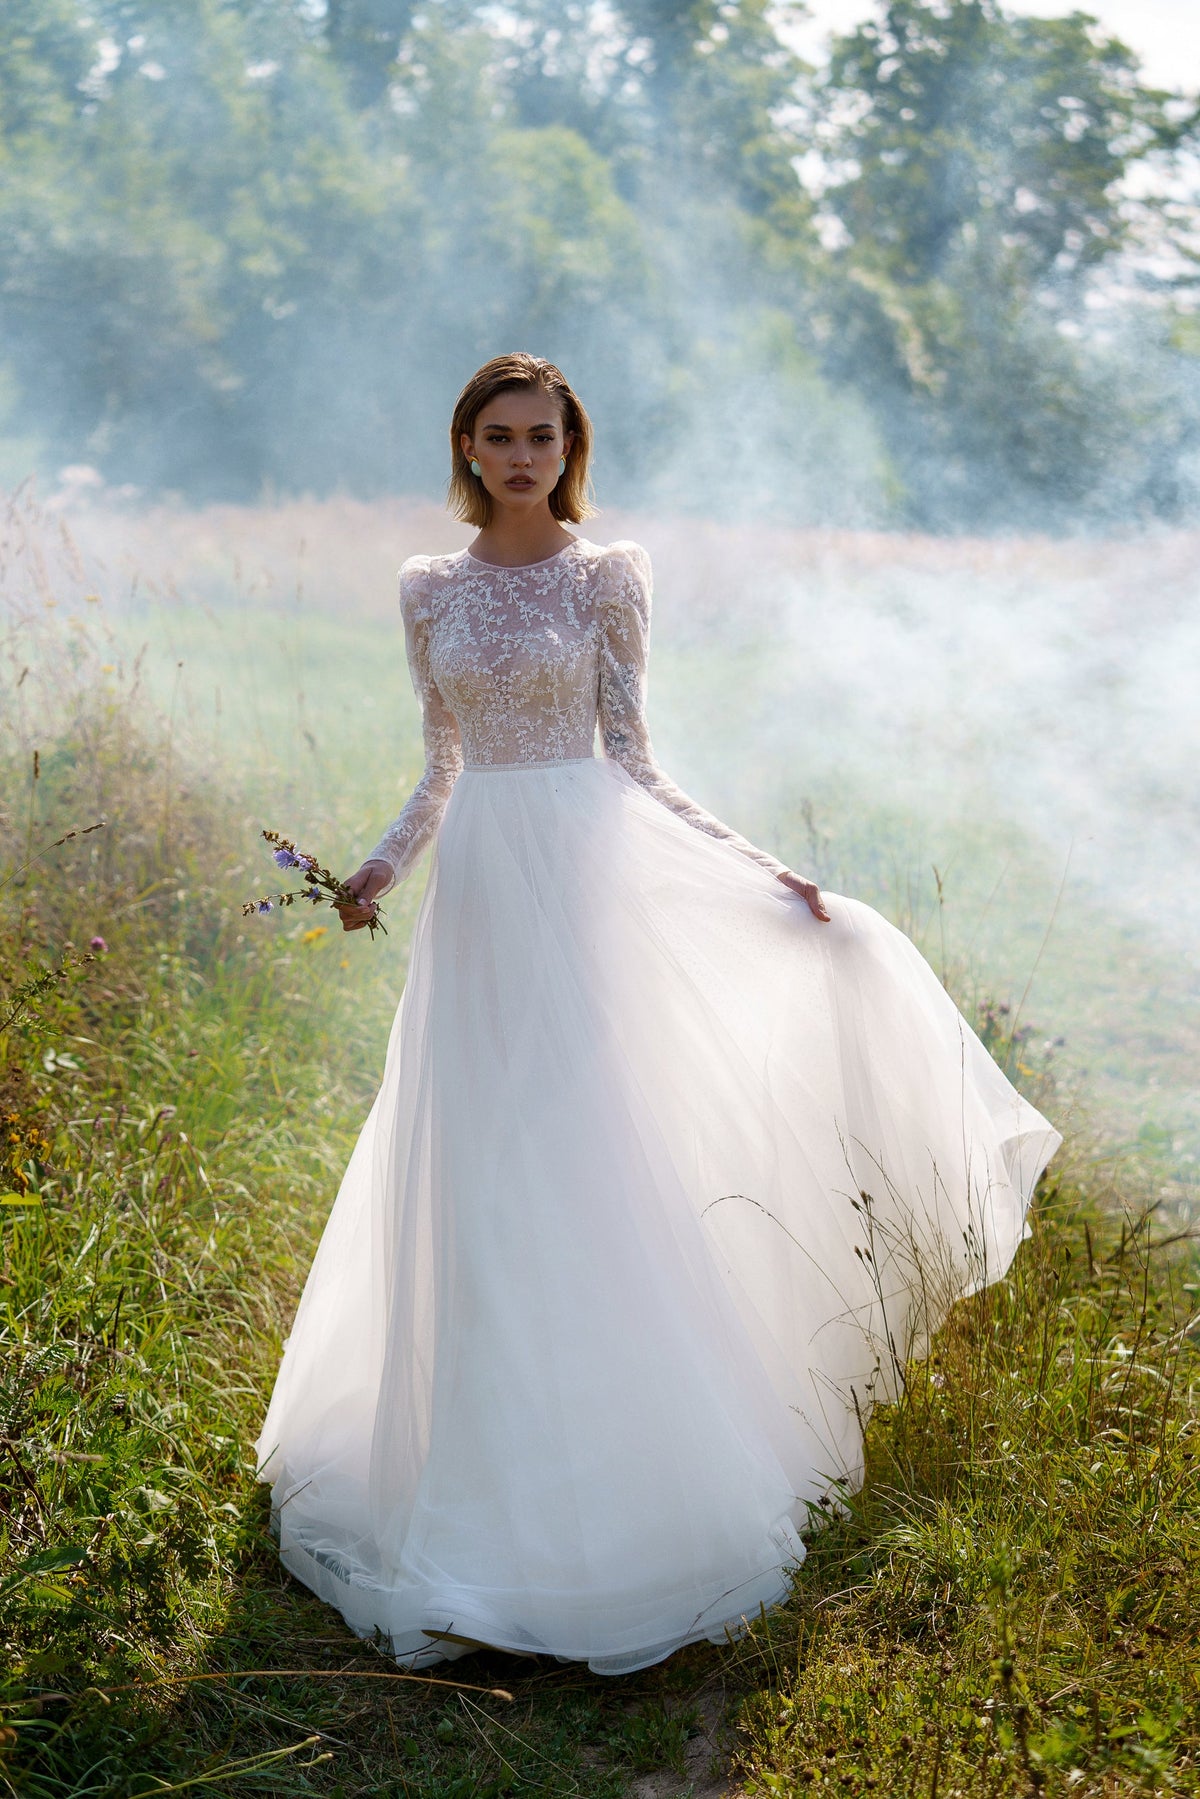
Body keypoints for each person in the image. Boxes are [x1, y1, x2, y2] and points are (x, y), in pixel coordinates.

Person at [254, 352, 1060, 1677]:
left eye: (541, 436)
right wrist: (378, 873)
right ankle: (474, 1469)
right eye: (497, 435)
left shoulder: (609, 574)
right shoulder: (427, 589)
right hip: (480, 916)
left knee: (587, 1154)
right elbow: (441, 764)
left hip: (585, 886)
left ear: (570, 446)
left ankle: (629, 1480)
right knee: (480, 1166)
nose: (520, 455)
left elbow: (633, 754)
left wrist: (760, 873)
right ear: (463, 446)